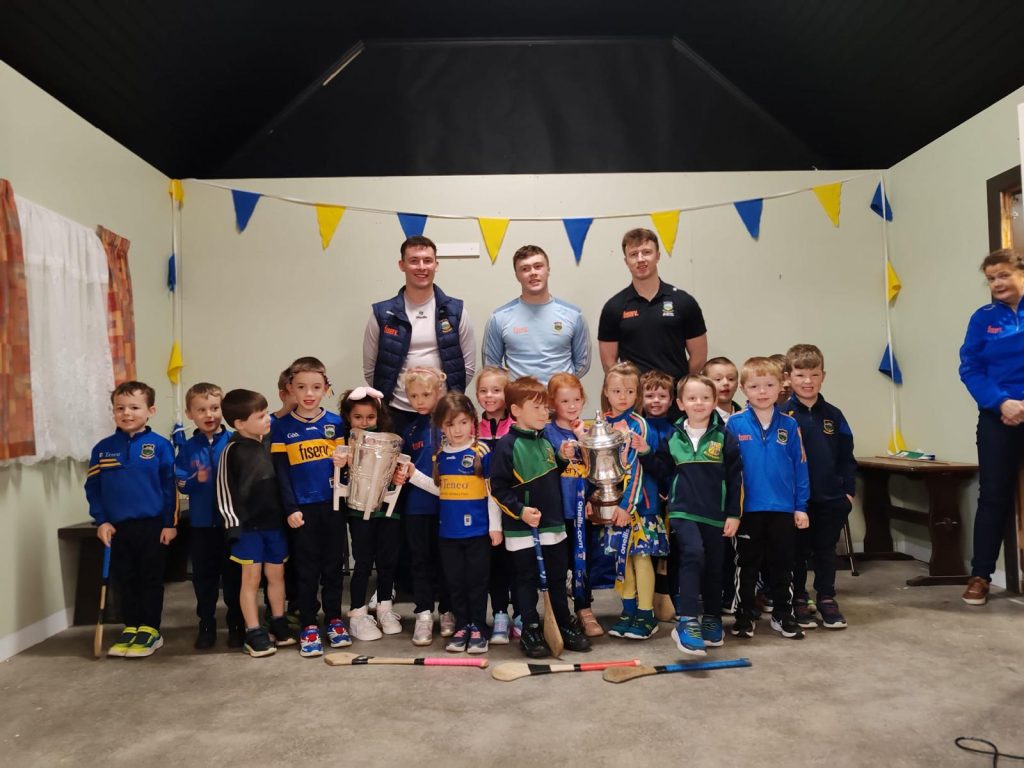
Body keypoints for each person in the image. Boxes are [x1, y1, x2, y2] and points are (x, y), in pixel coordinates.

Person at [489, 376, 592, 657]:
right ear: (515, 410)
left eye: (545, 407)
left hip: (553, 525)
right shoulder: (507, 445)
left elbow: (549, 476)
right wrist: (520, 511)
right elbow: (497, 488)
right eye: (535, 408)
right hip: (523, 530)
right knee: (525, 579)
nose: (543, 412)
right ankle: (531, 628)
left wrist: (561, 458)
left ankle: (563, 622)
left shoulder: (545, 441)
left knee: (557, 577)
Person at [643, 375, 742, 656]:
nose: (699, 403)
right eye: (692, 398)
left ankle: (711, 617)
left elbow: (735, 479)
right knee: (692, 554)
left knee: (714, 565)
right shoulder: (673, 437)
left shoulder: (725, 437)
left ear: (714, 402)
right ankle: (686, 620)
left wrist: (733, 514)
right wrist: (646, 453)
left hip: (716, 514)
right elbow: (663, 470)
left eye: (705, 398)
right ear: (680, 403)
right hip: (683, 511)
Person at [85, 381, 177, 658]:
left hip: (152, 525)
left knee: (150, 578)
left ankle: (150, 629)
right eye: (120, 408)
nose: (126, 413)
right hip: (117, 527)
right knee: (125, 579)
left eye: (134, 407)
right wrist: (101, 520)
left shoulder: (160, 446)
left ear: (150, 411)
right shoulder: (102, 449)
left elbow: (169, 488)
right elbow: (93, 488)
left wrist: (170, 524)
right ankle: (132, 625)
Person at [408, 393, 502, 654]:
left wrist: (495, 526)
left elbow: (492, 493)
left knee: (477, 582)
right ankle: (462, 626)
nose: (457, 430)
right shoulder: (440, 455)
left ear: (472, 421)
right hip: (448, 534)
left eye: (463, 422)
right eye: (450, 424)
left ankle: (478, 627)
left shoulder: (481, 452)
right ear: (441, 426)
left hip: (478, 532)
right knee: (455, 582)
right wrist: (414, 475)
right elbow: (441, 490)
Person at [726, 357, 810, 641]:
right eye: (754, 386)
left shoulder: (790, 425)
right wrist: (731, 510)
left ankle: (783, 614)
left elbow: (800, 467)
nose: (762, 392)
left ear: (781, 386)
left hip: (783, 509)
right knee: (746, 565)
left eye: (769, 385)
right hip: (747, 510)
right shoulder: (734, 424)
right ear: (743, 389)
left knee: (783, 564)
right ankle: (744, 614)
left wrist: (800, 506)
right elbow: (728, 471)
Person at [270, 357, 348, 657]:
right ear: (290, 389)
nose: (309, 393)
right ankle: (308, 624)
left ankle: (334, 619)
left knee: (333, 567)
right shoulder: (281, 426)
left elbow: (347, 469)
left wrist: (345, 461)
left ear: (326, 389)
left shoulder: (336, 423)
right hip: (302, 510)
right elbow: (281, 472)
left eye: (316, 387)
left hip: (333, 507)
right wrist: (290, 508)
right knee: (306, 570)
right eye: (301, 387)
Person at [959, 248, 1024, 605]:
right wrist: (1002, 402)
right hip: (997, 417)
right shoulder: (982, 319)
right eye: (990, 279)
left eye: (1003, 275)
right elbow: (970, 368)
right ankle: (981, 575)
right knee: (993, 495)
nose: (997, 283)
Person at [363, 235, 476, 435]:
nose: (421, 267)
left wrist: (446, 400)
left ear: (436, 265)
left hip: (443, 412)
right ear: (402, 265)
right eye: (414, 261)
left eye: (427, 260)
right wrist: (392, 397)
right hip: (396, 413)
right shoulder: (383, 314)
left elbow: (467, 366)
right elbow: (371, 369)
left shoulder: (456, 311)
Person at [782, 344, 856, 630]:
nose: (808, 381)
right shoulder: (783, 415)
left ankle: (826, 597)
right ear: (788, 377)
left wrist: (848, 493)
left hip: (831, 497)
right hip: (797, 501)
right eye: (800, 375)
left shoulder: (834, 415)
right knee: (797, 552)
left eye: (814, 375)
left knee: (826, 550)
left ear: (823, 376)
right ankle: (799, 598)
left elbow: (847, 456)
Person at [217, 389, 290, 657]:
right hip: (248, 530)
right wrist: (233, 526)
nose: (267, 419)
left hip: (274, 526)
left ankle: (279, 623)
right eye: (260, 416)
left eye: (266, 413)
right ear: (239, 424)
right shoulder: (232, 450)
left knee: (276, 575)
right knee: (251, 579)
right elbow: (224, 492)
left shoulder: (269, 442)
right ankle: (254, 632)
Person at [598, 362, 667, 641]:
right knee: (622, 558)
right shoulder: (603, 423)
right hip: (612, 505)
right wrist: (596, 500)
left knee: (640, 556)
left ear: (637, 393)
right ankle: (628, 611)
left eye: (629, 391)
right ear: (606, 391)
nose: (623, 396)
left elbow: (636, 469)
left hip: (639, 506)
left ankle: (646, 614)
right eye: (616, 391)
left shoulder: (639, 425)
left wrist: (627, 506)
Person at [334, 387, 407, 641]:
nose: (364, 422)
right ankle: (357, 612)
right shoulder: (345, 442)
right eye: (358, 417)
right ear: (348, 417)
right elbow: (340, 477)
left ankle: (385, 607)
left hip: (388, 510)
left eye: (370, 417)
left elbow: (398, 470)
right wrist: (340, 463)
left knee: (388, 560)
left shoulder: (390, 440)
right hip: (358, 511)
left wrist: (399, 475)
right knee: (363, 561)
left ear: (379, 416)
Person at [174, 382, 242, 650]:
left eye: (214, 408)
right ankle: (206, 624)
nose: (209, 414)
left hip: (231, 523)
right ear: (190, 414)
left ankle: (236, 624)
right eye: (201, 410)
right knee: (204, 578)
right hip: (202, 524)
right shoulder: (188, 448)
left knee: (234, 576)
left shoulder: (235, 441)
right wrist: (196, 478)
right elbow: (181, 483)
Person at [598, 228, 708, 380]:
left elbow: (699, 357)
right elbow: (609, 364)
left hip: (675, 393)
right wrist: (629, 388)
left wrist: (680, 386)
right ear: (626, 261)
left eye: (647, 252)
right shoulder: (613, 307)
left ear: (658, 256)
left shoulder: (684, 302)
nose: (640, 259)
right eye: (633, 254)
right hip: (635, 394)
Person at [543, 372, 601, 636]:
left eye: (576, 399)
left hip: (582, 511)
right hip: (557, 511)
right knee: (557, 565)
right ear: (552, 403)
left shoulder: (588, 431)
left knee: (582, 561)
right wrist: (560, 455)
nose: (572, 406)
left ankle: (584, 608)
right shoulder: (546, 432)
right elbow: (543, 471)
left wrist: (592, 498)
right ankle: (559, 613)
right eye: (564, 401)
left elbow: (597, 470)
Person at [400, 366, 456, 645]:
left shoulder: (451, 425)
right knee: (419, 561)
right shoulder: (409, 430)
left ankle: (447, 611)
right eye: (413, 396)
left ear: (438, 392)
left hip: (448, 506)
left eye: (425, 394)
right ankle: (423, 613)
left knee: (446, 561)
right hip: (416, 508)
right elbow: (404, 467)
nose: (419, 401)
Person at [482, 244, 591, 384]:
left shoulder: (574, 315)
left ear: (548, 270)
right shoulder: (499, 318)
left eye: (538, 266)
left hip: (560, 397)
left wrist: (562, 388)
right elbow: (491, 367)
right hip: (519, 396)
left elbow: (583, 363)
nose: (533, 273)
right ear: (517, 275)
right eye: (525, 269)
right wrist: (514, 389)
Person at [475, 365, 516, 642]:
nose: (489, 396)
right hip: (485, 511)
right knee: (495, 563)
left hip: (513, 507)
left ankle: (523, 612)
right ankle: (500, 613)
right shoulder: (471, 428)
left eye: (496, 390)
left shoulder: (516, 425)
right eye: (483, 390)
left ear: (507, 394)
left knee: (518, 564)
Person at [639, 369, 677, 621]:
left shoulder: (674, 431)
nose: (655, 401)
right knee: (644, 552)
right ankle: (643, 600)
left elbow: (672, 466)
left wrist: (666, 489)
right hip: (642, 499)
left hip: (667, 499)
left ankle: (667, 595)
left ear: (671, 400)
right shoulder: (637, 427)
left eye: (662, 396)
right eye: (650, 395)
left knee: (667, 552)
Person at [702, 357, 743, 421]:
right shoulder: (700, 419)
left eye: (731, 379)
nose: (725, 383)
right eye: (718, 379)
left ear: (737, 384)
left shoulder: (746, 417)